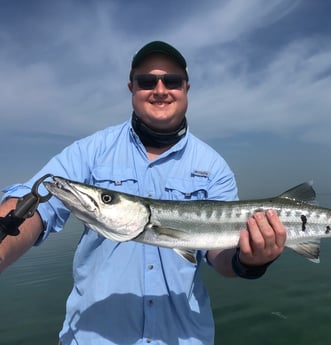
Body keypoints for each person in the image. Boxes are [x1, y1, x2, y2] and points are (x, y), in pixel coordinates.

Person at [0, 41, 286, 345]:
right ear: (132, 88)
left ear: (186, 87)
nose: (160, 90)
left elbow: (218, 255)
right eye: (147, 81)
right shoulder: (91, 151)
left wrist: (249, 261)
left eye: (172, 81)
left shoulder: (213, 166)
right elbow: (34, 204)